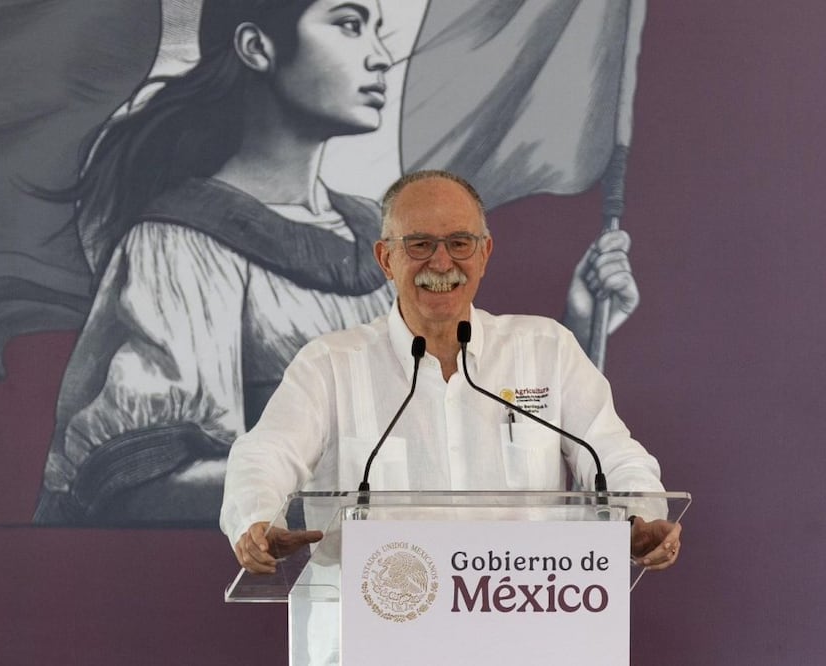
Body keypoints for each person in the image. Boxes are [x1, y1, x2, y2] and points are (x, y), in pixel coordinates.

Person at [34, 0, 641, 525]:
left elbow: (453, 423)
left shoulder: (378, 234)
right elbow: (140, 484)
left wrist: (578, 331)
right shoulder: (182, 243)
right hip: (266, 596)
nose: (380, 57)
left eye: (377, 28)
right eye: (350, 26)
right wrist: (363, 490)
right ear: (257, 46)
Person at [221, 170, 683, 577]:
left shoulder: (547, 350)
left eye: (459, 243)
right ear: (386, 259)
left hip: (524, 633)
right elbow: (264, 457)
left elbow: (613, 455)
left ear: (483, 254)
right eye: (420, 244)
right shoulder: (330, 364)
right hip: (374, 637)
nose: (441, 263)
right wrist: (255, 521)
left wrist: (638, 514)